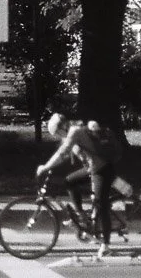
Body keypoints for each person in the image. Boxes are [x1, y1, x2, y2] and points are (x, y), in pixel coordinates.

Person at [36, 112, 121, 261]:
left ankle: (106, 246)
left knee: (101, 205)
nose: (59, 136)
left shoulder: (75, 131)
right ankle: (82, 217)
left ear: (62, 127)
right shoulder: (72, 133)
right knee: (69, 181)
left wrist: (46, 167)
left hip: (102, 169)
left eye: (58, 133)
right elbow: (66, 153)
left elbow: (62, 153)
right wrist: (52, 167)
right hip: (92, 168)